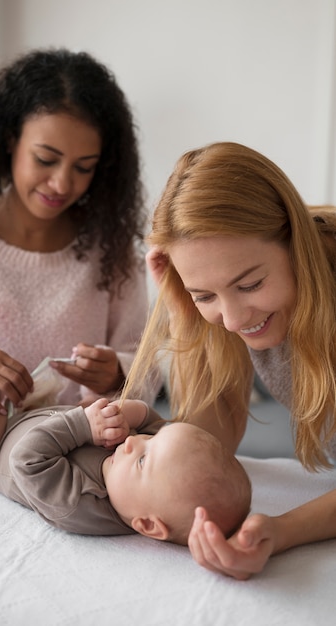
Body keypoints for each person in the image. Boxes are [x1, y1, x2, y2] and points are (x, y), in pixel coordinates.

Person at [122, 141, 336, 578]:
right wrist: (187, 314)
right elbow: (211, 440)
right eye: (206, 294)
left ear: (296, 245)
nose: (234, 319)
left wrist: (281, 531)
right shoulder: (228, 307)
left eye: (251, 284)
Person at [0, 47, 159, 421]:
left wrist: (117, 373)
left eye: (84, 167)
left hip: (62, 460)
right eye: (45, 159)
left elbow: (146, 372)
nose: (62, 183)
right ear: (10, 139)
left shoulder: (113, 252)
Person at [0, 390, 251, 546]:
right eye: (148, 441)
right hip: (48, 411)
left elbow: (26, 460)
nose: (132, 444)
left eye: (142, 459)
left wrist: (83, 425)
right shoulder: (139, 484)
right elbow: (154, 423)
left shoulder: (81, 503)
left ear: (148, 526)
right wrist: (127, 414)